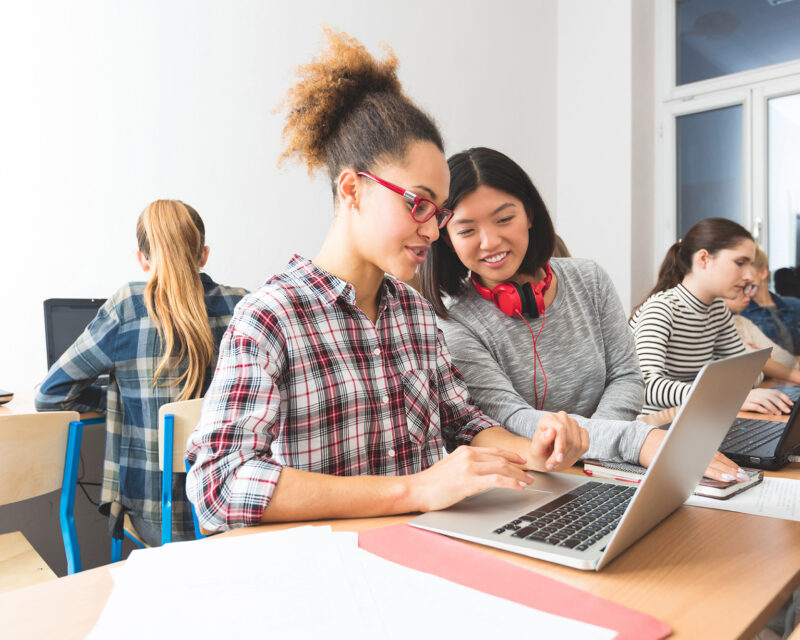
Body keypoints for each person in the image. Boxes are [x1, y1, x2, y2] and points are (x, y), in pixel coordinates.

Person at [185, 30, 594, 534]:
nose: (432, 228)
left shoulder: (415, 312)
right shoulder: (271, 317)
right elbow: (218, 487)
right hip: (332, 575)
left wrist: (536, 451)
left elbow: (464, 425)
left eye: (439, 212)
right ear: (353, 189)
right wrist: (415, 489)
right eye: (417, 203)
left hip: (425, 554)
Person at [417, 147, 743, 479]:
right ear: (446, 238)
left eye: (504, 219)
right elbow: (511, 417)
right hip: (539, 478)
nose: (490, 241)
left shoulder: (590, 279)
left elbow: (627, 377)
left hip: (611, 465)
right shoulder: (454, 324)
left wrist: (597, 445)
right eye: (467, 230)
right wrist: (632, 441)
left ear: (529, 214)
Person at [35, 200, 247, 546]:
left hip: (158, 518)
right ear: (203, 255)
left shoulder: (128, 307)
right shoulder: (242, 304)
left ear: (142, 259)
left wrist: (122, 402)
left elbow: (50, 394)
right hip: (230, 511)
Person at [629, 217, 791, 415]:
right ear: (704, 259)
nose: (749, 276)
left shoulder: (717, 310)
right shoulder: (661, 309)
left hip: (700, 416)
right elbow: (646, 388)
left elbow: (751, 375)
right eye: (740, 263)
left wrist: (720, 388)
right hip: (656, 425)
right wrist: (723, 396)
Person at [726, 283, 800, 384]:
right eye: (741, 288)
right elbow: (755, 358)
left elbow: (779, 356)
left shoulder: (741, 321)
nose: (750, 294)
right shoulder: (718, 326)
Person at [739, 246, 800, 355]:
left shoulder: (795, 306)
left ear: (763, 273)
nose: (744, 278)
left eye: (748, 271)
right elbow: (770, 360)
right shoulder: (739, 313)